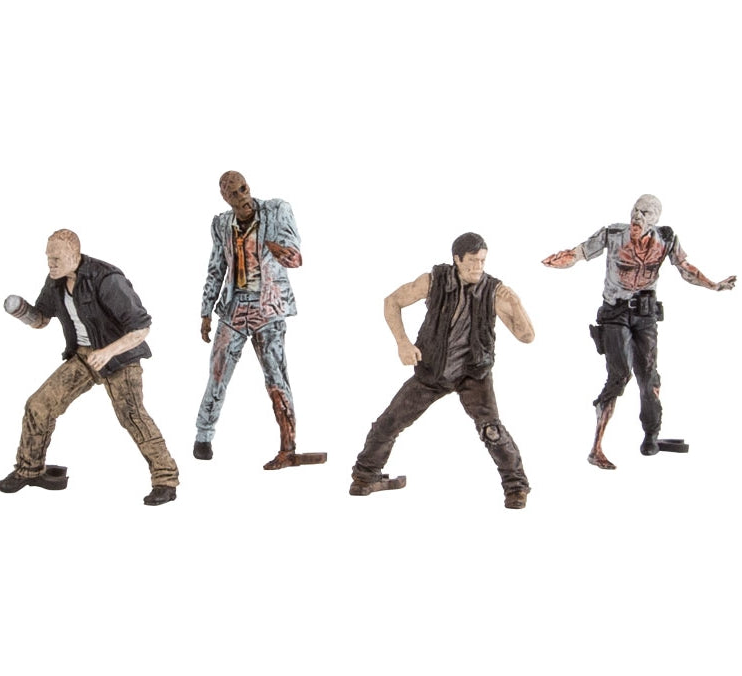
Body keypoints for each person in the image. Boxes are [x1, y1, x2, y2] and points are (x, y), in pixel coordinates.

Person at [542, 194, 736, 469]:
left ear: (655, 219)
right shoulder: (613, 234)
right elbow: (580, 252)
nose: (637, 216)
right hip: (615, 313)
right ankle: (596, 448)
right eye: (635, 210)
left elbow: (685, 269)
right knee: (620, 375)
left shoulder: (666, 239)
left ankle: (651, 435)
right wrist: (562, 259)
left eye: (646, 213)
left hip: (645, 315)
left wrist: (714, 285)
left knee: (648, 376)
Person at [350, 232, 535, 509]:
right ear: (457, 259)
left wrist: (517, 305)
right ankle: (365, 477)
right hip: (433, 370)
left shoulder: (493, 290)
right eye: (472, 261)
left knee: (492, 431)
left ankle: (516, 487)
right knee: (389, 422)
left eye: (482, 261)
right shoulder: (434, 280)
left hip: (474, 372)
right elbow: (392, 301)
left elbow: (526, 336)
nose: (478, 267)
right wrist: (403, 343)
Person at [0, 229, 179, 505]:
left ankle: (166, 480)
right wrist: (22, 312)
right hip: (83, 355)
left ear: (75, 255)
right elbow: (42, 319)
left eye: (56, 258)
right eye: (48, 258)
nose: (51, 264)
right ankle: (29, 470)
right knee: (38, 405)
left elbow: (142, 328)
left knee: (132, 416)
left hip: (119, 357)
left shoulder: (106, 278)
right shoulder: (55, 280)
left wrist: (107, 352)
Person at [195, 170, 325, 470]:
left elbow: (295, 257)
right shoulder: (221, 224)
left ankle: (288, 448)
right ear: (225, 198)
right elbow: (216, 267)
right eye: (234, 194)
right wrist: (205, 310)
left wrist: (278, 249)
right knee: (217, 372)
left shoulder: (277, 210)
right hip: (233, 308)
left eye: (243, 189)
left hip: (268, 307)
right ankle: (204, 435)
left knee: (276, 377)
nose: (242, 197)